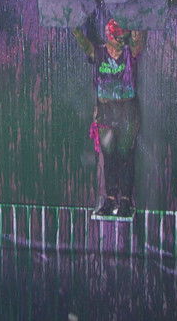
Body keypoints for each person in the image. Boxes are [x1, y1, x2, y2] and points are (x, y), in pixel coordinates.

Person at [73, 18, 146, 217]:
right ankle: (111, 198)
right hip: (106, 111)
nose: (121, 42)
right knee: (109, 156)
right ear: (110, 36)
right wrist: (74, 27)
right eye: (118, 38)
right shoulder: (98, 53)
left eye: (124, 38)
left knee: (125, 155)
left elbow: (138, 40)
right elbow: (83, 43)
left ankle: (125, 201)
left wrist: (136, 18)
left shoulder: (130, 53)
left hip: (126, 111)